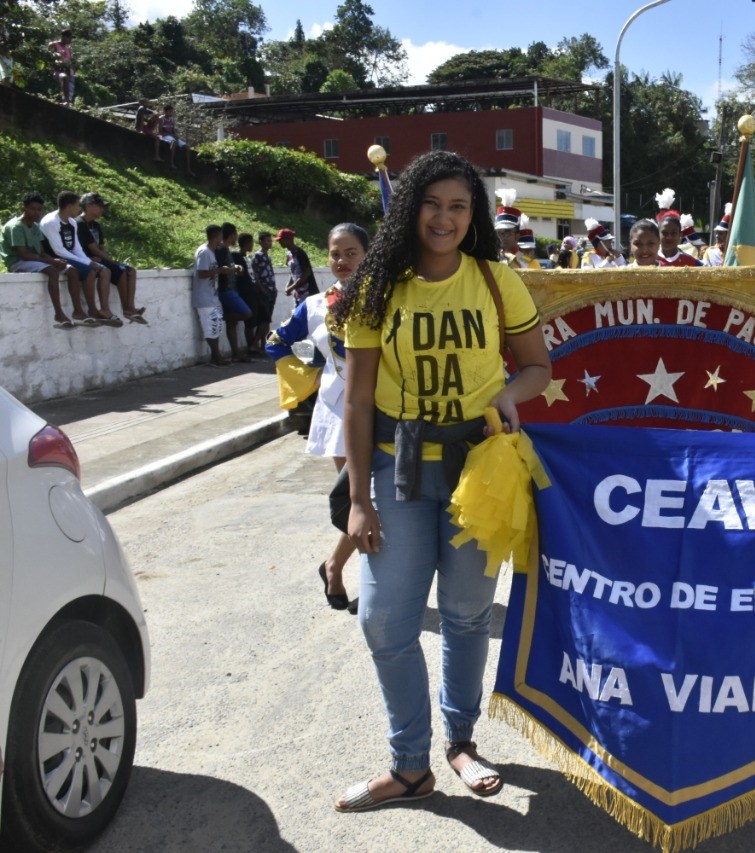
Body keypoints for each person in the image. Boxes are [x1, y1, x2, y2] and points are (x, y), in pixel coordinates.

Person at [331, 150, 551, 811]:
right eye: (432, 204)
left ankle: (460, 741)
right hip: (398, 476)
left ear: (473, 214)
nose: (445, 218)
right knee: (384, 619)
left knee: (465, 614)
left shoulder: (494, 279)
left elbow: (537, 364)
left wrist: (513, 393)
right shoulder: (377, 287)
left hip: (481, 471)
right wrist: (358, 500)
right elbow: (358, 400)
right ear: (409, 208)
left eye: (459, 206)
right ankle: (408, 763)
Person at [267, 223, 369, 615]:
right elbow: (275, 343)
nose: (341, 261)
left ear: (367, 253)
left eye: (351, 252)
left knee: (381, 500)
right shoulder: (313, 306)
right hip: (339, 411)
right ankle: (343, 571)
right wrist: (311, 371)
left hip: (385, 408)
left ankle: (334, 566)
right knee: (358, 497)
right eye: (335, 253)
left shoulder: (390, 298)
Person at [40, 191, 121, 326]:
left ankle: (102, 310)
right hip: (57, 257)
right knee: (89, 271)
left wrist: (88, 261)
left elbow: (77, 248)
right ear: (70, 206)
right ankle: (87, 310)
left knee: (104, 270)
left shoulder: (72, 222)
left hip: (71, 255)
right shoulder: (51, 222)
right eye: (78, 205)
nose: (79, 209)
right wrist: (87, 263)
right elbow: (59, 250)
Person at [2, 193, 81, 328]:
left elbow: (41, 252)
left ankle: (79, 311)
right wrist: (52, 262)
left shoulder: (35, 226)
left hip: (35, 260)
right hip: (17, 262)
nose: (37, 212)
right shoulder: (16, 227)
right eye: (33, 209)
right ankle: (59, 313)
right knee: (52, 271)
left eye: (39, 209)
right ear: (24, 209)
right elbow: (24, 255)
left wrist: (55, 260)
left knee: (72, 270)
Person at [76, 192, 146, 323]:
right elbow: (93, 248)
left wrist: (109, 259)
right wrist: (111, 261)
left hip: (100, 258)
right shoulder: (80, 223)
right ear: (89, 206)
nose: (102, 209)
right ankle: (117, 309)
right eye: (99, 206)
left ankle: (130, 307)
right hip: (88, 259)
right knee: (120, 270)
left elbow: (101, 247)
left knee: (131, 271)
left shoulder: (96, 225)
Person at [193, 224, 234, 367]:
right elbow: (201, 273)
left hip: (212, 297)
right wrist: (218, 271)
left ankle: (215, 356)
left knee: (216, 324)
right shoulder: (204, 252)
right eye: (221, 236)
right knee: (210, 326)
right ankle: (216, 357)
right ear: (216, 236)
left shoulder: (211, 252)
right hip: (204, 298)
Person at [216, 223, 253, 361]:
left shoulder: (226, 251)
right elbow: (220, 269)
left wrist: (234, 268)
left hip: (230, 288)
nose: (236, 238)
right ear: (231, 235)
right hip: (226, 290)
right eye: (235, 235)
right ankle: (226, 317)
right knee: (247, 313)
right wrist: (234, 269)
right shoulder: (221, 250)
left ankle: (235, 353)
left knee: (232, 324)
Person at [232, 233, 263, 355]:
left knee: (261, 319)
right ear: (246, 243)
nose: (252, 245)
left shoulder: (247, 257)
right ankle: (251, 347)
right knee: (250, 322)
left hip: (254, 291)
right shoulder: (237, 256)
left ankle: (253, 345)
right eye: (251, 243)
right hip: (246, 292)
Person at [653, 190, 701, 267]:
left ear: (680, 235)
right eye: (665, 233)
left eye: (673, 233)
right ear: (657, 235)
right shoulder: (649, 261)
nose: (669, 237)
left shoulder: (691, 262)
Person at [251, 231, 279, 348]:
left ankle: (264, 344)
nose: (269, 243)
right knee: (264, 319)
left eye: (270, 241)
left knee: (267, 320)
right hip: (264, 291)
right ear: (261, 242)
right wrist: (262, 289)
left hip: (271, 290)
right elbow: (255, 274)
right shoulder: (258, 255)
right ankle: (254, 344)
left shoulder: (267, 255)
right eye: (267, 241)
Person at [279, 228, 319, 303]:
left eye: (281, 240)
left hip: (308, 294)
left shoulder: (300, 253)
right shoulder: (288, 255)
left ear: (288, 240)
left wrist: (292, 287)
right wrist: (288, 286)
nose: (279, 242)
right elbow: (293, 273)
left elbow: (307, 273)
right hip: (297, 295)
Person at [158, 105, 194, 174]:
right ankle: (171, 162)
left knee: (187, 147)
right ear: (165, 111)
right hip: (164, 136)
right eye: (170, 111)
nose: (171, 112)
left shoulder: (172, 119)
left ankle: (188, 168)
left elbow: (173, 130)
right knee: (173, 142)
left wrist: (175, 135)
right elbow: (160, 131)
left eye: (172, 111)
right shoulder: (161, 118)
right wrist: (171, 135)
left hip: (171, 135)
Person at [494, 188, 521, 265]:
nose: (503, 236)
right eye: (499, 232)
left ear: (517, 236)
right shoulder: (491, 260)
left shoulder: (527, 263)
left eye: (507, 232)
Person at [48, 30, 74, 104]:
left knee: (70, 93)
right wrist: (58, 54)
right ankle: (66, 101)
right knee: (64, 77)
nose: (70, 40)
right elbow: (49, 57)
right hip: (58, 69)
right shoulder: (54, 45)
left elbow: (69, 61)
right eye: (69, 38)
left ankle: (67, 103)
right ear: (63, 37)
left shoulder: (68, 49)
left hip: (69, 72)